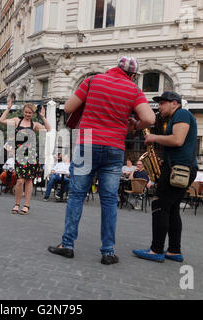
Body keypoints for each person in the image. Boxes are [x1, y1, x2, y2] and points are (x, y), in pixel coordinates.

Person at [48, 56, 155, 265]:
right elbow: (150, 119)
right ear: (133, 75)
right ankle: (108, 251)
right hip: (114, 146)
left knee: (77, 195)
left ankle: (67, 245)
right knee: (108, 200)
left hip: (87, 141)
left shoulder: (92, 81)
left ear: (115, 68)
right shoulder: (133, 90)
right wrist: (132, 126)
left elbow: (69, 108)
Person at [133, 91, 198, 263]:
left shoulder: (182, 114)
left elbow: (177, 140)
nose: (159, 107)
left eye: (162, 103)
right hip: (179, 167)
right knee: (172, 209)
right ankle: (174, 251)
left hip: (179, 169)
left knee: (159, 204)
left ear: (175, 103)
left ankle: (156, 250)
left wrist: (154, 137)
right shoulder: (175, 117)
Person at [0, 97, 52, 215]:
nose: (27, 114)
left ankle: (26, 205)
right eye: (26, 112)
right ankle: (17, 204)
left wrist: (43, 117)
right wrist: (8, 108)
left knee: (28, 181)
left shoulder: (35, 124)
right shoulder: (17, 121)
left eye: (30, 112)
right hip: (20, 155)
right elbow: (1, 120)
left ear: (33, 113)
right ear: (23, 112)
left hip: (32, 155)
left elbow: (48, 129)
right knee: (20, 181)